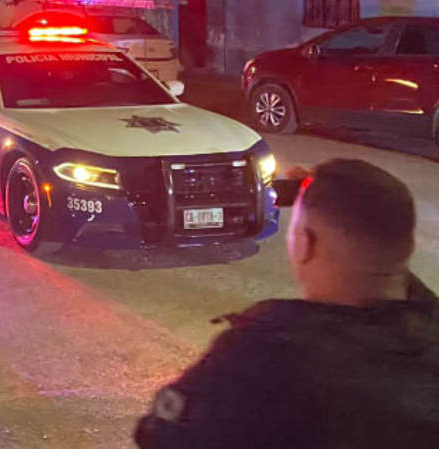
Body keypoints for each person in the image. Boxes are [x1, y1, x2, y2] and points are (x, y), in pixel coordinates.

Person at [134, 158, 439, 448]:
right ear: (407, 247)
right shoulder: (426, 336)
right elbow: (384, 267)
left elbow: (160, 436)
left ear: (305, 244)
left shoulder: (261, 358)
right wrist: (340, 198)